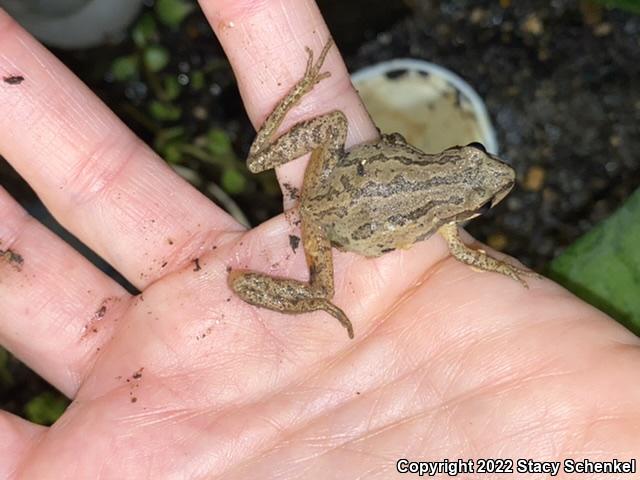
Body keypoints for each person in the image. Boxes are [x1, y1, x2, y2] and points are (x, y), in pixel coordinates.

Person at [0, 1, 637, 478]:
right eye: (479, 171)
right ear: (465, 180)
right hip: (335, 223)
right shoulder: (453, 220)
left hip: (334, 193)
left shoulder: (447, 187)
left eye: (486, 185)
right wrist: (509, 270)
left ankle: (291, 269)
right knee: (321, 282)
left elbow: (390, 148)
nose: (489, 173)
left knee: (329, 123)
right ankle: (305, 295)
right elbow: (467, 250)